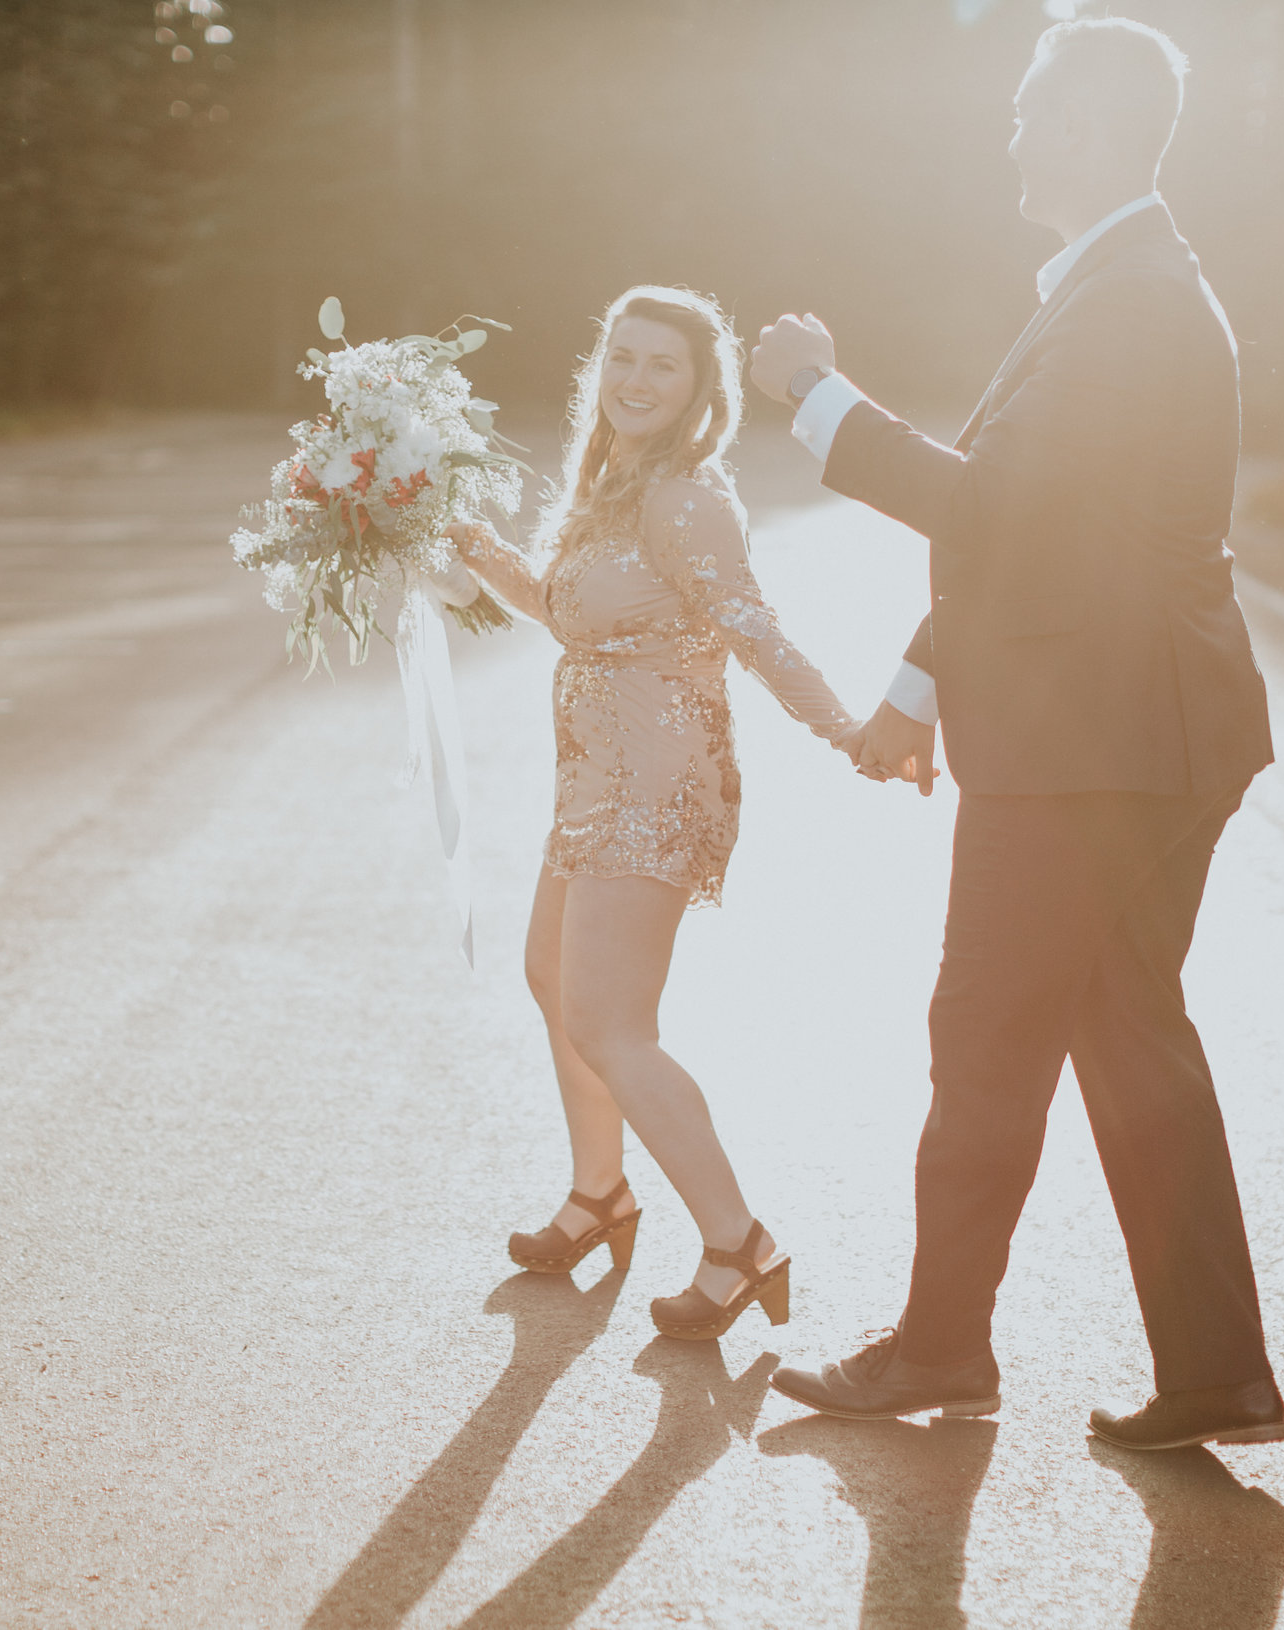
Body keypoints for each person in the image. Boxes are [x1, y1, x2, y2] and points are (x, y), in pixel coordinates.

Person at [749, 17, 1284, 1450]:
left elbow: (988, 511)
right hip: (1133, 723)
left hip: (1098, 741)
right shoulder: (1117, 286)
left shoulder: (1131, 301)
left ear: (1091, 130)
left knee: (989, 1027)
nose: (1009, 133)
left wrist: (815, 394)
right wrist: (918, 694)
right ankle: (1216, 1376)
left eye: (1028, 110)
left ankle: (939, 1350)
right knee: (1126, 1031)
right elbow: (1050, 540)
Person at [451, 285, 860, 1341]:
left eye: (661, 366)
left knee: (612, 1023)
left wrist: (849, 730)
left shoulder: (684, 498)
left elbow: (753, 629)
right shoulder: (612, 482)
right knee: (552, 978)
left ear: (699, 393)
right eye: (622, 359)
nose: (635, 380)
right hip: (593, 775)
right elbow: (577, 619)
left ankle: (738, 1240)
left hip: (659, 783)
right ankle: (600, 1194)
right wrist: (478, 550)